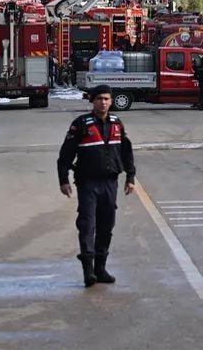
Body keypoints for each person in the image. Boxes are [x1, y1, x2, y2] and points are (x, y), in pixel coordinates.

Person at [58, 85, 136, 287]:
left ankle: (101, 268)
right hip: (88, 183)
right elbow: (65, 155)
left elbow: (126, 152)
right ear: (92, 101)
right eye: (99, 98)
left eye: (107, 99)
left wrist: (130, 177)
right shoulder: (81, 124)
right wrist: (63, 180)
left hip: (110, 183)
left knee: (106, 226)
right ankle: (88, 271)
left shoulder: (116, 123)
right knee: (87, 225)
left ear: (111, 101)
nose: (103, 102)